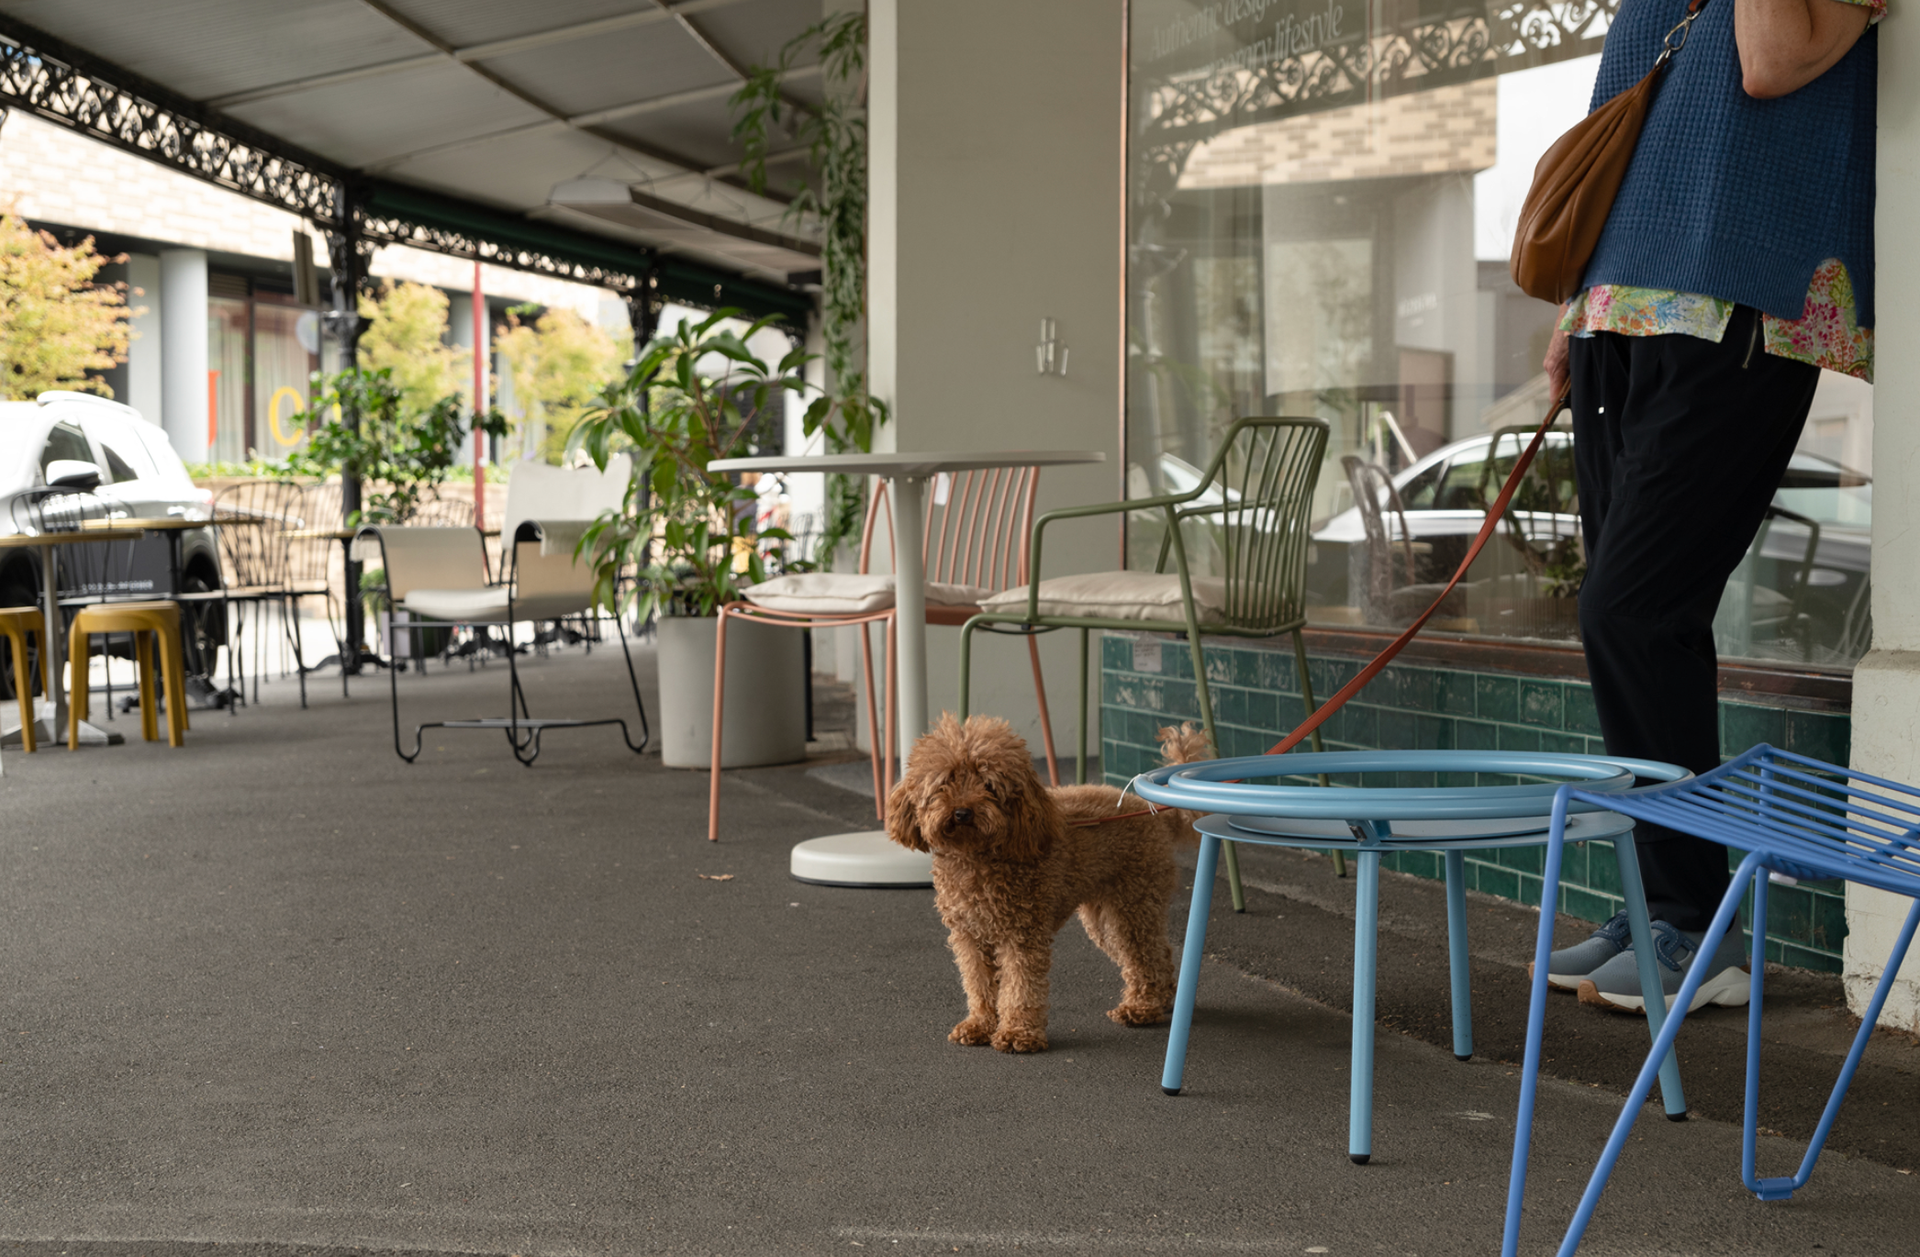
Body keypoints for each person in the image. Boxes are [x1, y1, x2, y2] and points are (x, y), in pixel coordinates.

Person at [1538, 0, 1881, 1013]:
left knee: (1631, 610)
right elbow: (1628, 108)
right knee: (1645, 625)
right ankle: (1668, 906)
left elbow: (1769, 63)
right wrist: (1576, 307)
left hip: (1740, 299)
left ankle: (1698, 922)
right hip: (1620, 304)